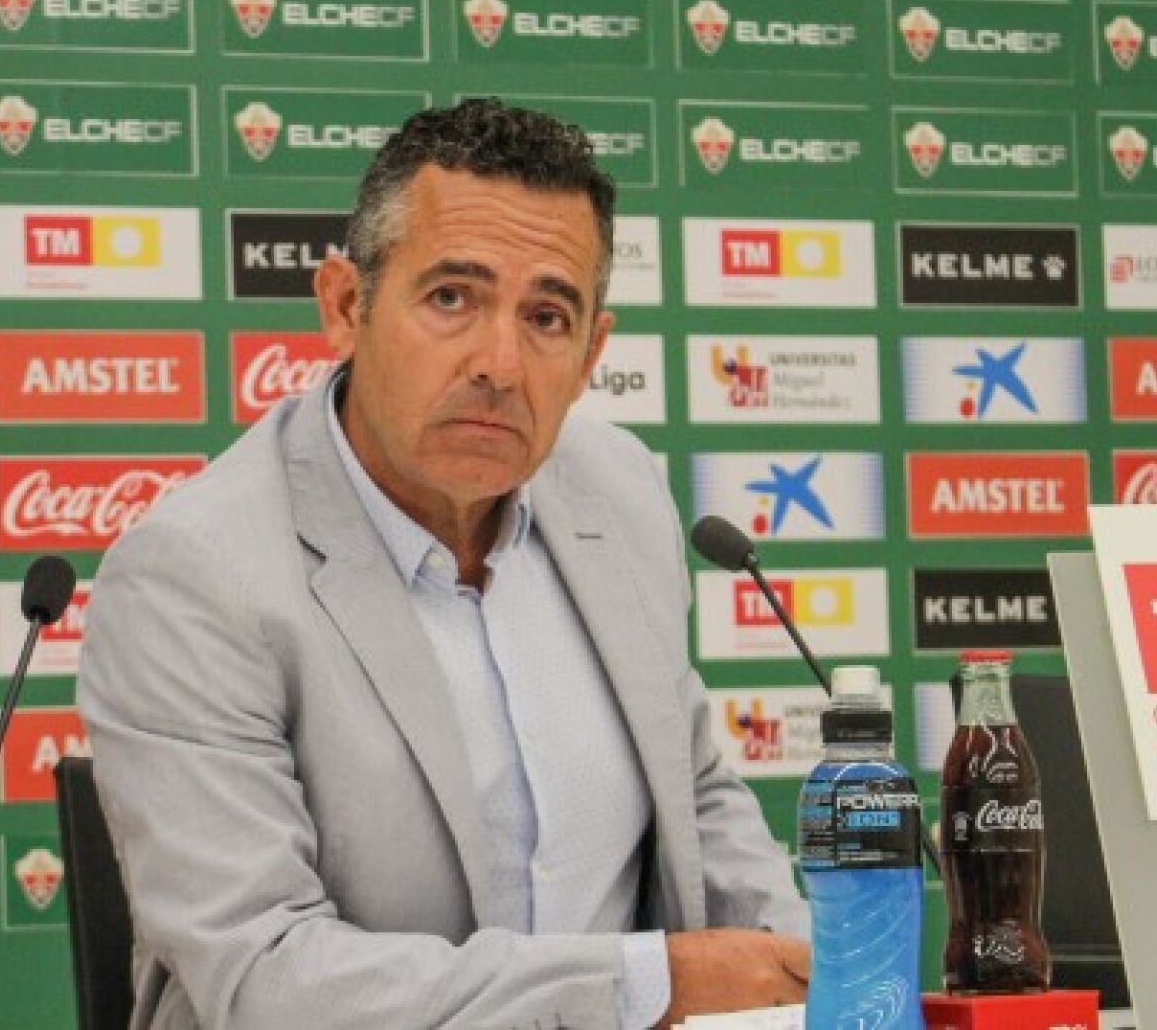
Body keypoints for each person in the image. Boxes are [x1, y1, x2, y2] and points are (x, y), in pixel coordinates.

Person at [79, 99, 811, 1029]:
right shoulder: (193, 573)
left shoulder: (619, 488)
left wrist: (813, 972)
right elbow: (266, 976)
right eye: (451, 298)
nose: (499, 363)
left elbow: (695, 793)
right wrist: (643, 985)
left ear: (591, 352)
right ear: (345, 306)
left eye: (546, 316)